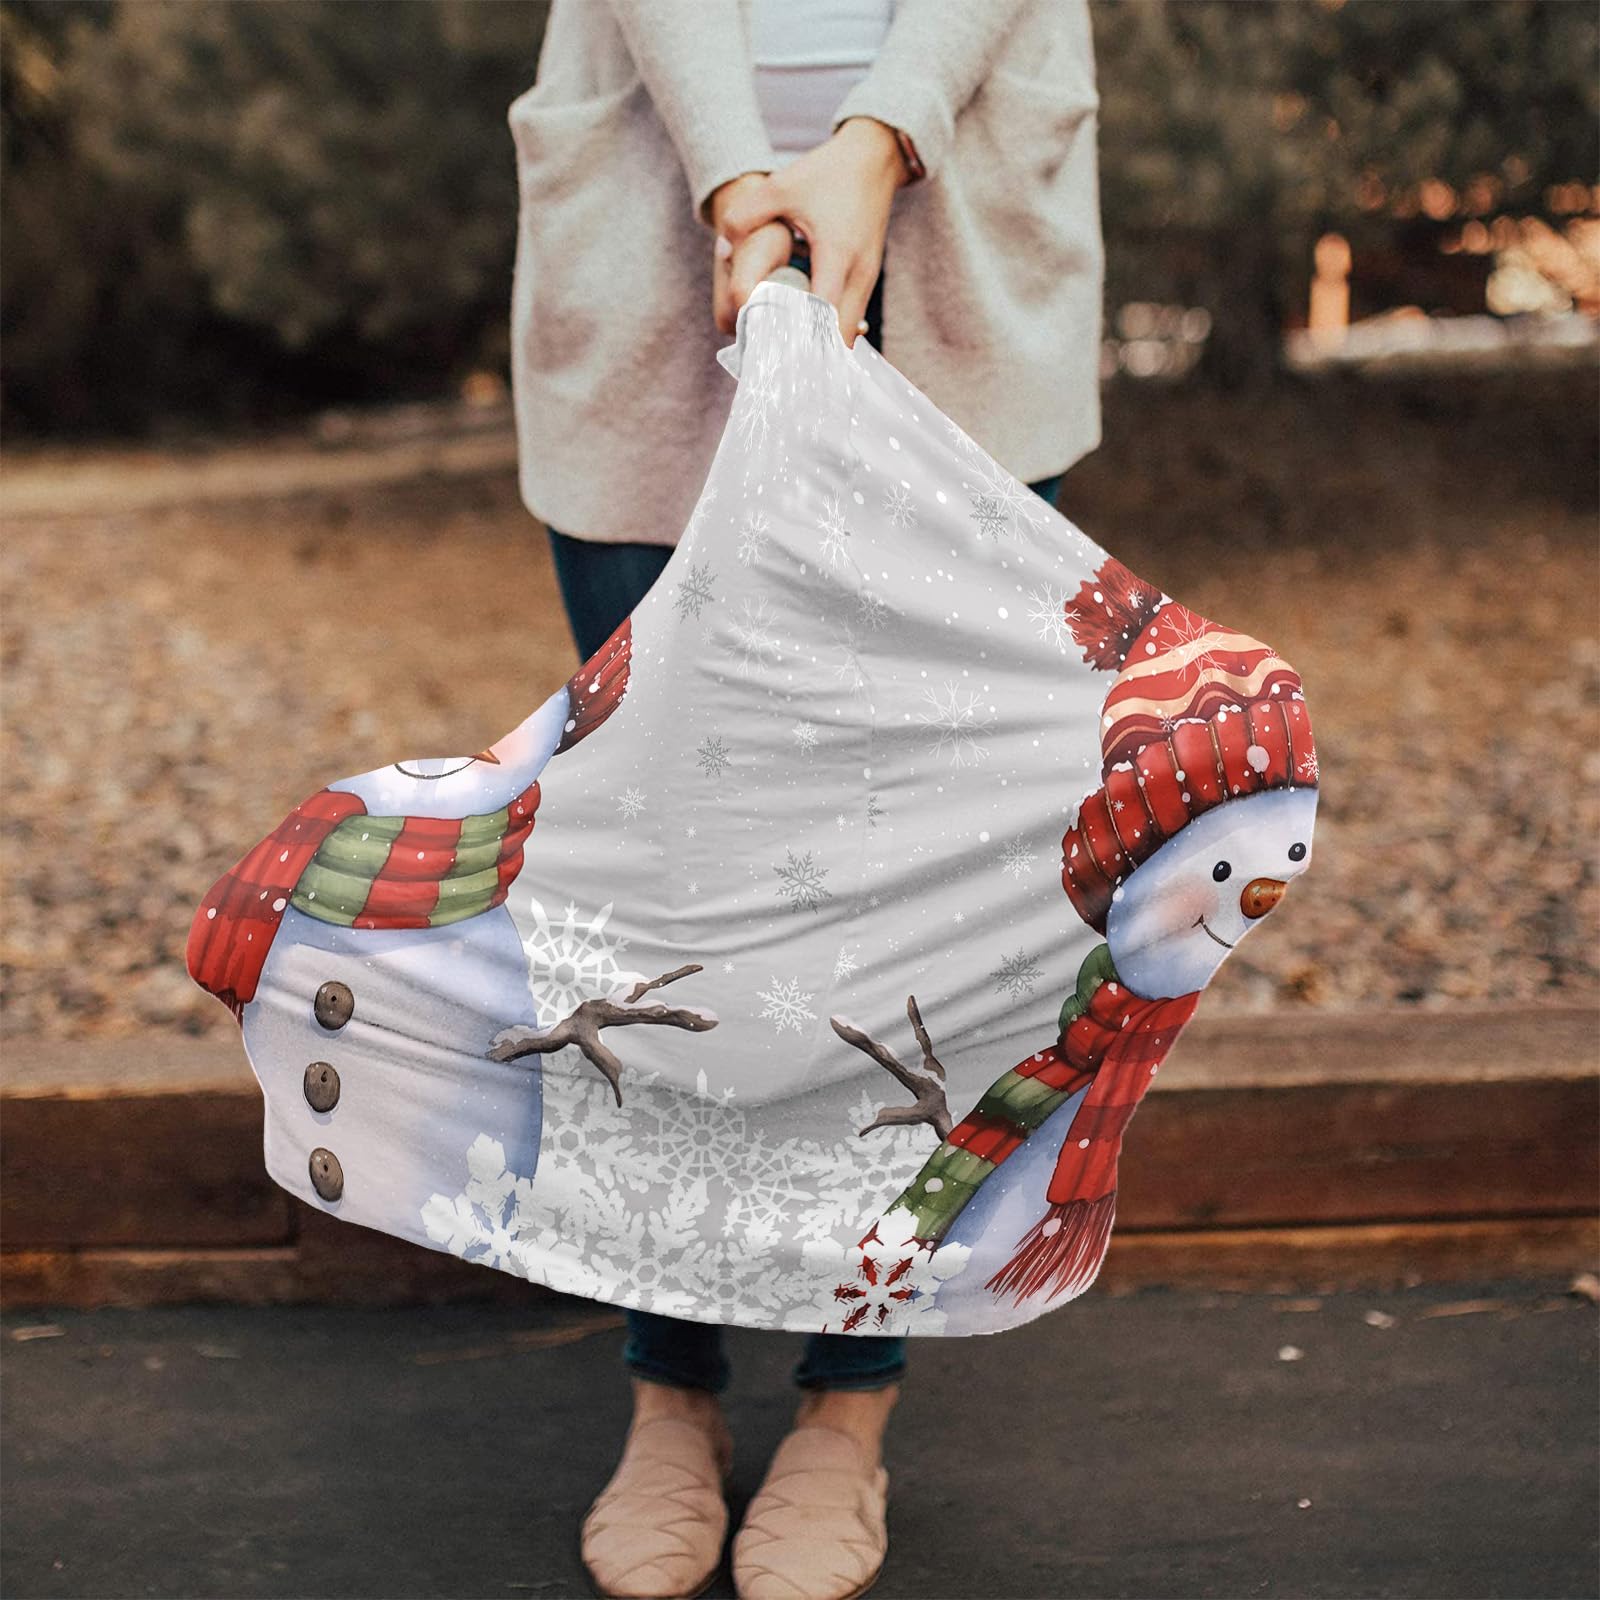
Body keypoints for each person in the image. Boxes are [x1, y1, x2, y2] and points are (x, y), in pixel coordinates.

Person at [506, 3, 1103, 1595]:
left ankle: (849, 1401)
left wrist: (880, 138)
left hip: (961, 221)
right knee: (663, 865)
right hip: (654, 213)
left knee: (920, 873)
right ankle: (671, 1383)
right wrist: (735, 178)